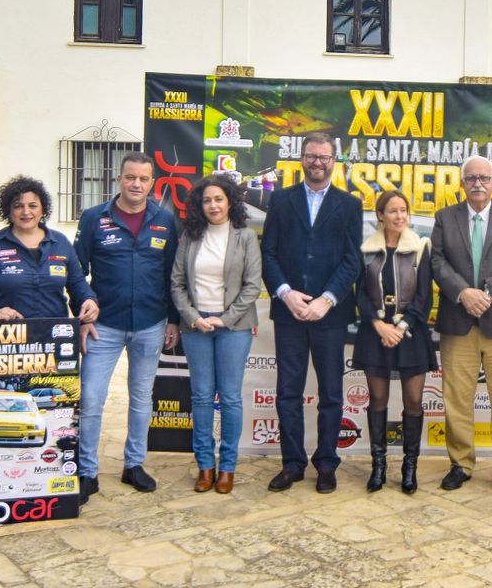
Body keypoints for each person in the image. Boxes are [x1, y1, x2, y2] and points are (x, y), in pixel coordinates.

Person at [74, 151, 181, 504]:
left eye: (144, 179)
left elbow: (172, 276)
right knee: (90, 398)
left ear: (152, 183)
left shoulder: (165, 221)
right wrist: (82, 311)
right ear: (119, 179)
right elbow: (76, 273)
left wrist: (174, 320)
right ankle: (86, 472)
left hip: (150, 324)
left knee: (140, 400)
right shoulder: (94, 218)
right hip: (103, 326)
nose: (136, 184)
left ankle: (134, 464)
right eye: (130, 177)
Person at [260, 133, 362, 493]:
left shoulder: (349, 205)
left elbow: (353, 260)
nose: (317, 162)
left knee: (331, 393)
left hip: (330, 316)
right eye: (311, 156)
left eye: (324, 157)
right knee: (288, 392)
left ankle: (326, 463)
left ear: (334, 160)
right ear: (301, 159)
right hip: (289, 313)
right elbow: (268, 253)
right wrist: (286, 294)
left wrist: (327, 299)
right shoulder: (283, 200)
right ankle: (292, 464)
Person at [430, 155, 492, 498]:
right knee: (457, 399)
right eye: (471, 178)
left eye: (484, 178)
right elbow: (437, 261)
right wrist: (462, 293)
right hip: (458, 322)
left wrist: (486, 292)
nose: (477, 183)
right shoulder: (445, 217)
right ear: (462, 183)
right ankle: (460, 464)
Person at [172, 173, 262, 494]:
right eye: (207, 200)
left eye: (219, 199)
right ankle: (205, 466)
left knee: (230, 397)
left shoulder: (245, 237)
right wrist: (195, 318)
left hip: (233, 327)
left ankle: (227, 467)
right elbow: (177, 283)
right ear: (200, 204)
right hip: (196, 327)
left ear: (230, 202)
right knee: (201, 397)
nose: (213, 205)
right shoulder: (190, 237)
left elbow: (253, 285)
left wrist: (225, 318)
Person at [353, 189, 435, 493]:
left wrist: (400, 326)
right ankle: (378, 465)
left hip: (411, 334)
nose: (400, 216)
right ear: (380, 216)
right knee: (377, 401)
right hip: (375, 334)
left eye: (404, 210)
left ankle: (409, 465)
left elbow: (425, 297)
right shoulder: (367, 249)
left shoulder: (420, 247)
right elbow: (359, 293)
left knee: (413, 401)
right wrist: (377, 323)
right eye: (393, 211)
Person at [0, 175, 99, 323]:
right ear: (8, 211)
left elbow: (77, 283)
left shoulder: (60, 243)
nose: (26, 212)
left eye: (33, 205)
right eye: (18, 206)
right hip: (5, 340)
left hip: (53, 338)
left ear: (42, 209)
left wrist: (88, 299)